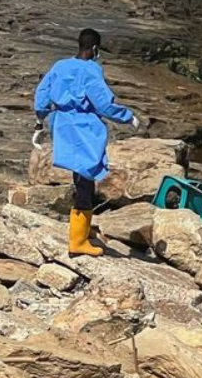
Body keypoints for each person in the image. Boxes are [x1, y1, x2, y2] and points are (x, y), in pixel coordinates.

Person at [34, 28, 140, 258]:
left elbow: (42, 95)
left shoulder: (60, 66)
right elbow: (103, 103)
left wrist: (40, 120)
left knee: (79, 175)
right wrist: (127, 117)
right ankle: (78, 241)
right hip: (83, 127)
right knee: (86, 180)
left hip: (61, 124)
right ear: (95, 48)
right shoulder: (91, 70)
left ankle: (82, 228)